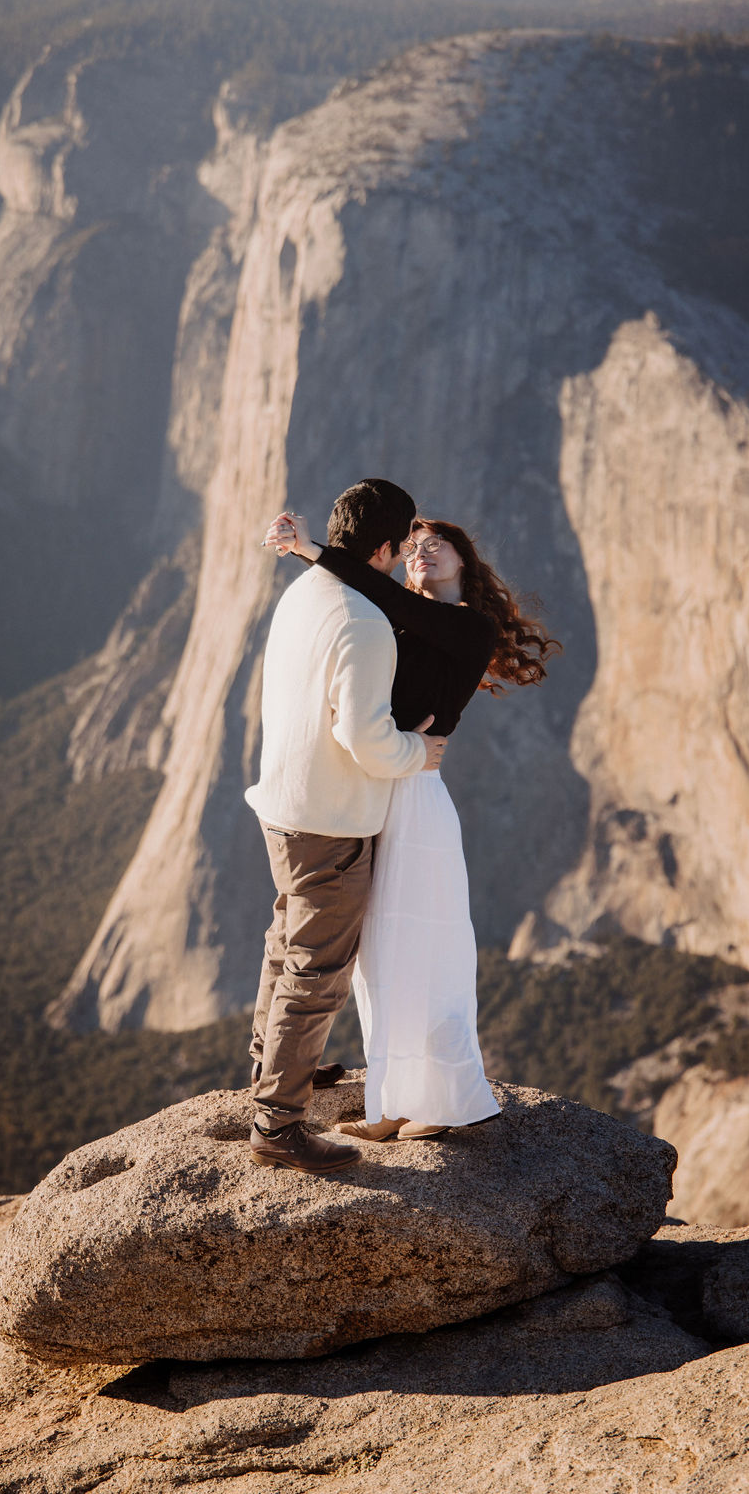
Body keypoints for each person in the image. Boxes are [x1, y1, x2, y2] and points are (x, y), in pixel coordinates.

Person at [263, 510, 556, 1142]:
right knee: (381, 961)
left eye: (438, 544)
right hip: (377, 791)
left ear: (464, 564)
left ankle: (449, 1099)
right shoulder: (392, 619)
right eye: (414, 544)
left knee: (427, 951)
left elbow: (385, 593)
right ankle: (393, 1101)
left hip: (417, 799)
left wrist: (311, 548)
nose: (423, 550)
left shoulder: (469, 626)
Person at [245, 479, 447, 1174]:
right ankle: (278, 1122)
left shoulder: (304, 594)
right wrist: (418, 750)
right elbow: (364, 737)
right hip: (328, 818)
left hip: (283, 805)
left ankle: (269, 1066)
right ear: (387, 546)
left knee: (287, 934)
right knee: (317, 967)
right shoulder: (362, 618)